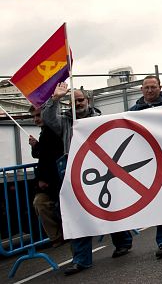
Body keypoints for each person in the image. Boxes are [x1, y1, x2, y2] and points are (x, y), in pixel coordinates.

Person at [41, 83, 133, 275]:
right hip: (73, 172)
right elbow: (47, 117)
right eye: (73, 102)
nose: (78, 104)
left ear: (88, 101)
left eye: (81, 100)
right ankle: (81, 260)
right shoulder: (65, 122)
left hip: (101, 170)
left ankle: (123, 241)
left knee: (108, 207)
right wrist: (56, 98)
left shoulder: (100, 119)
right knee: (77, 214)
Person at [129, 76, 162, 258]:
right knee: (160, 199)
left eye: (153, 87)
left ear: (160, 88)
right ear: (141, 90)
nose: (150, 90)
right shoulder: (132, 112)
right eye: (146, 87)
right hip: (148, 161)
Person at [28, 105, 64, 247]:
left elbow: (49, 156)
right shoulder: (45, 132)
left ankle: (59, 236)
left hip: (55, 180)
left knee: (42, 203)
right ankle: (57, 237)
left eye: (38, 115)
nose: (36, 119)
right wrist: (36, 146)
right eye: (34, 117)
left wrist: (43, 179)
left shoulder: (52, 131)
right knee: (40, 203)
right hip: (51, 180)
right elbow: (42, 154)